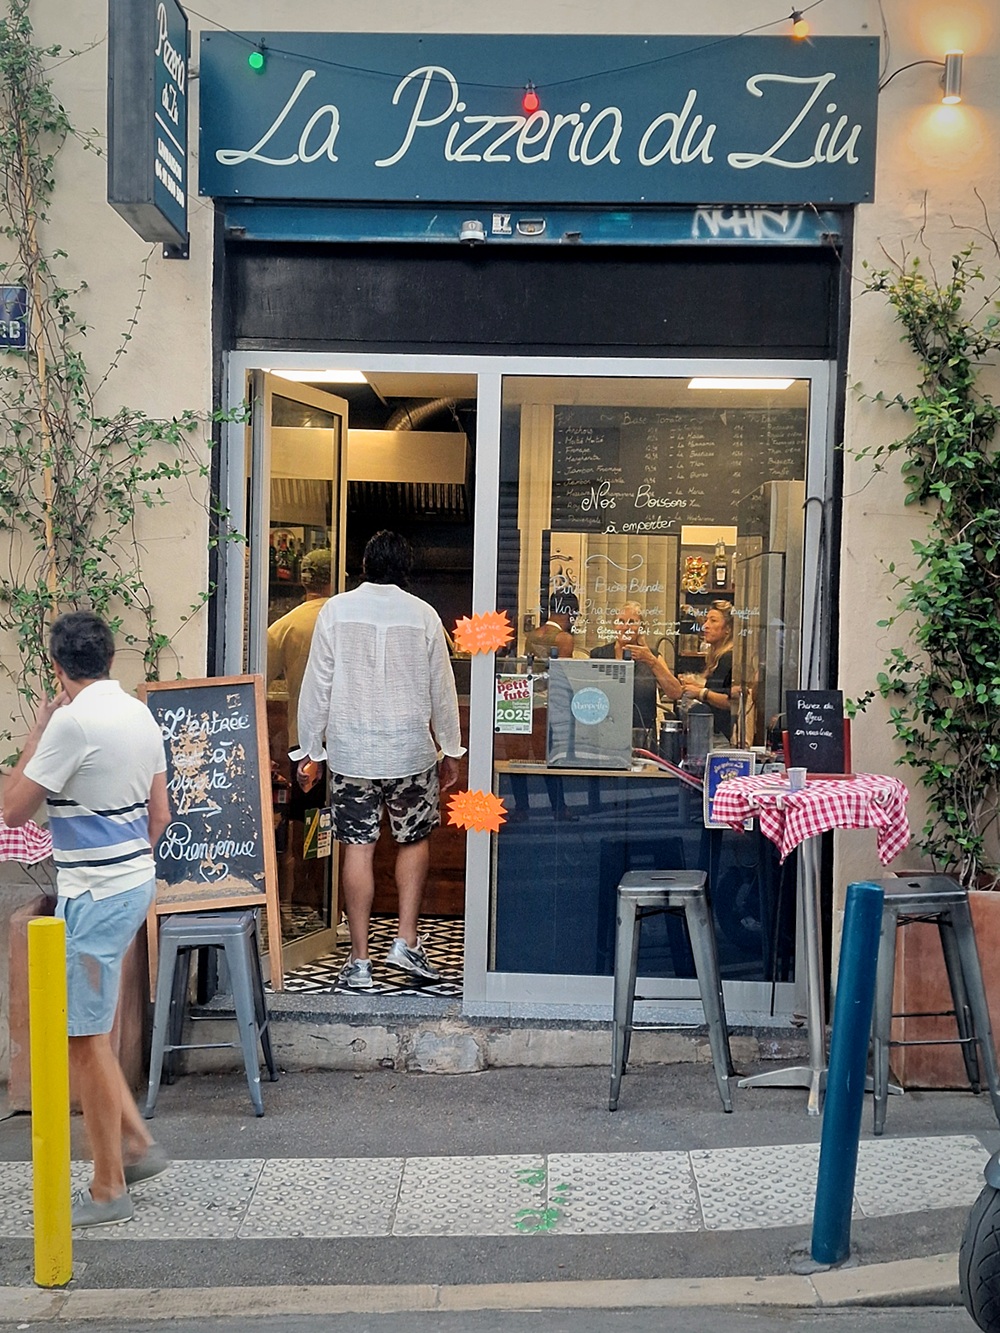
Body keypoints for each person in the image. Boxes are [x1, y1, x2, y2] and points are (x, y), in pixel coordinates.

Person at [3, 611, 171, 1228]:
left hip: (95, 893)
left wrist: (36, 733)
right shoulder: (137, 712)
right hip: (132, 883)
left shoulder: (70, 724)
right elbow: (159, 813)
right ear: (109, 658)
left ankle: (109, 1186)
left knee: (82, 1039)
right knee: (88, 1035)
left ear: (57, 666)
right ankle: (136, 1143)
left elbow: (14, 808)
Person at [293, 531, 464, 990]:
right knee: (412, 842)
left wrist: (310, 751)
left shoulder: (337, 610)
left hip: (351, 752)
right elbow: (442, 690)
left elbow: (318, 685)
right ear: (406, 568)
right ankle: (406, 942)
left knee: (357, 846)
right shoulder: (424, 615)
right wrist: (451, 748)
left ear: (364, 566)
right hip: (410, 750)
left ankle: (360, 958)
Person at [266, 548, 333, 922]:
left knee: (302, 824)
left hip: (302, 741)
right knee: (339, 827)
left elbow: (260, 679)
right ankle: (327, 906)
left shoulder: (285, 626)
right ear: (332, 578)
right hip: (345, 740)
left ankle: (295, 906)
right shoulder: (343, 618)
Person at [590, 601, 683, 737]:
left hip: (642, 735)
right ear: (614, 626)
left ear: (641, 628)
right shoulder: (598, 655)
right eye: (621, 621)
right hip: (604, 732)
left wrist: (651, 661)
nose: (626, 627)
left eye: (632, 622)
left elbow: (676, 692)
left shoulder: (651, 656)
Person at [678, 599, 735, 744]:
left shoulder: (728, 658)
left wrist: (700, 692)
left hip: (721, 738)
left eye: (713, 621)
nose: (705, 626)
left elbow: (730, 702)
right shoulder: (717, 658)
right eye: (706, 620)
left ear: (728, 628)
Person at [524, 592, 578, 661]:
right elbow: (565, 670)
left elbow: (524, 668)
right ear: (571, 613)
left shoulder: (532, 635)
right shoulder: (564, 639)